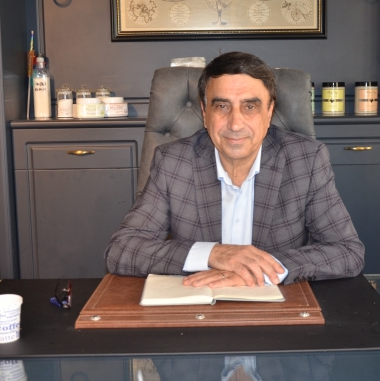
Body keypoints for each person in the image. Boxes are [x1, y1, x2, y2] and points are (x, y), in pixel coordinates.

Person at [105, 51, 364, 287]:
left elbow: (347, 251)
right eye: (222, 106)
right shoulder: (173, 162)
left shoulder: (305, 160)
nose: (235, 124)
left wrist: (262, 271)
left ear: (269, 112)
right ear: (205, 112)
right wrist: (214, 253)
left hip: (275, 310)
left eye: (250, 107)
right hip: (197, 306)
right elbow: (121, 250)